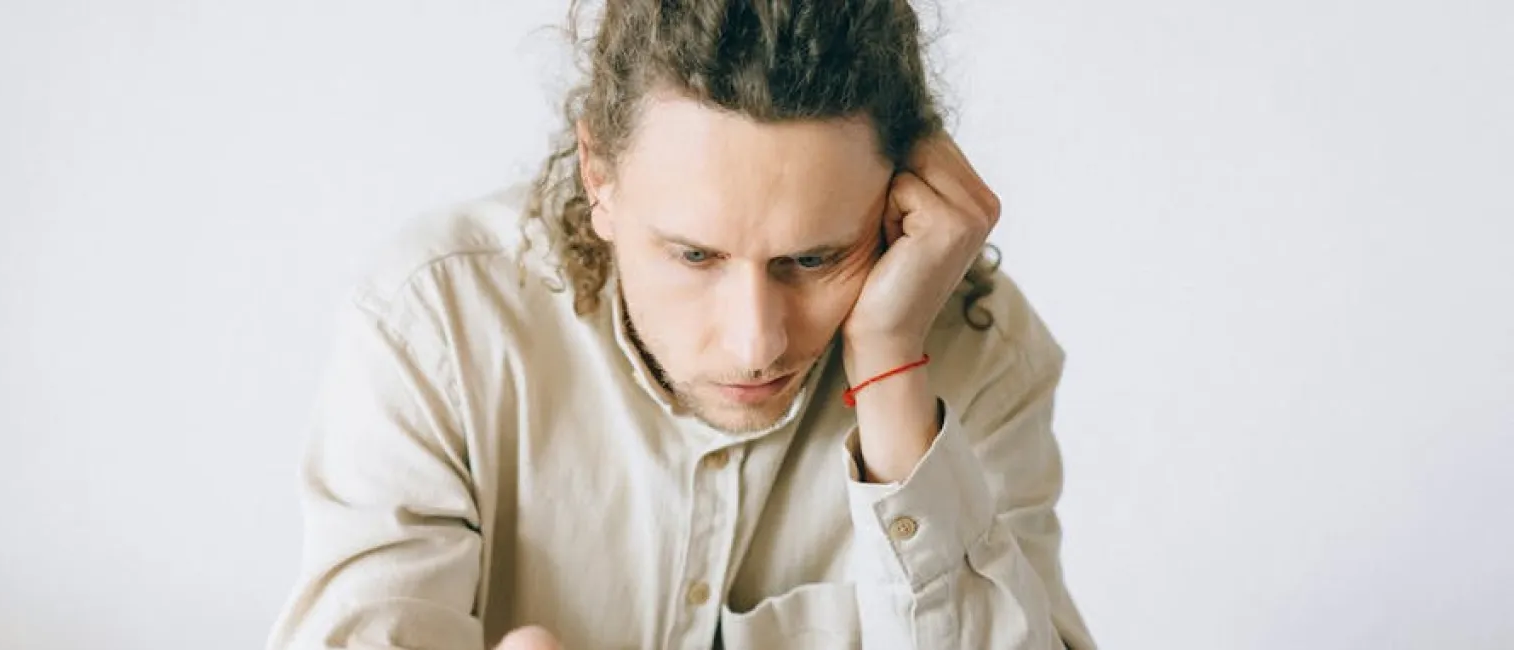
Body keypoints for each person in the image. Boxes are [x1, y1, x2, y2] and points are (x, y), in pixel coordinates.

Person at [268, 1, 1095, 648]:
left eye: (813, 260)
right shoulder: (438, 326)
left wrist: (888, 367)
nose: (755, 343)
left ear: (896, 202)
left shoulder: (984, 357)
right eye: (695, 256)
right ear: (600, 176)